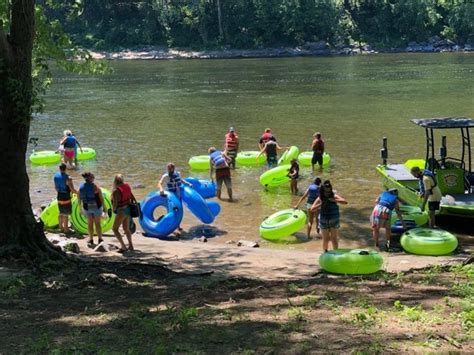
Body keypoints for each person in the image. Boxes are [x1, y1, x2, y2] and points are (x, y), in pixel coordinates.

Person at [310, 180, 348, 252]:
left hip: (334, 219)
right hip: (324, 220)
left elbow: (345, 202)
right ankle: (325, 252)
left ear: (331, 190)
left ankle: (336, 253)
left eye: (329, 191)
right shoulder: (320, 198)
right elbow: (312, 209)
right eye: (326, 191)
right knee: (325, 239)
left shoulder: (334, 196)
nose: (327, 193)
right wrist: (321, 204)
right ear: (322, 191)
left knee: (334, 238)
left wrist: (335, 200)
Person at [158, 163, 193, 236]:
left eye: (171, 168)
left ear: (174, 168)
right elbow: (160, 183)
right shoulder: (166, 176)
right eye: (168, 168)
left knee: (179, 211)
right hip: (170, 196)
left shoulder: (177, 174)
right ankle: (170, 227)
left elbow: (181, 180)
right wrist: (161, 189)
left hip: (178, 195)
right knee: (171, 210)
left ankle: (178, 226)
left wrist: (188, 184)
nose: (170, 170)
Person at [111, 174, 137, 253]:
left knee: (115, 229)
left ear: (115, 181)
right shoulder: (127, 186)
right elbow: (132, 197)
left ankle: (123, 246)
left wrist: (111, 211)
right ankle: (131, 246)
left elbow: (115, 205)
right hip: (128, 209)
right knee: (126, 229)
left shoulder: (116, 191)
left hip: (121, 211)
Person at [78, 171, 104, 247]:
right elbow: (101, 198)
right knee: (97, 224)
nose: (94, 178)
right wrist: (105, 208)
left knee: (90, 224)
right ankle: (100, 239)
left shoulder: (81, 187)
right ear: (91, 179)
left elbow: (79, 199)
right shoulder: (95, 187)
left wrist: (80, 209)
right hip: (96, 207)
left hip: (87, 208)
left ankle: (91, 239)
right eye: (93, 177)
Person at [53, 163, 77, 234]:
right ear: (65, 168)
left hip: (59, 195)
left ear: (59, 168)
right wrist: (78, 193)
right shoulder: (68, 178)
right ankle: (66, 229)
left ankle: (61, 228)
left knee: (61, 213)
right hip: (66, 196)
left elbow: (56, 188)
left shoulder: (55, 176)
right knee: (66, 214)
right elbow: (72, 189)